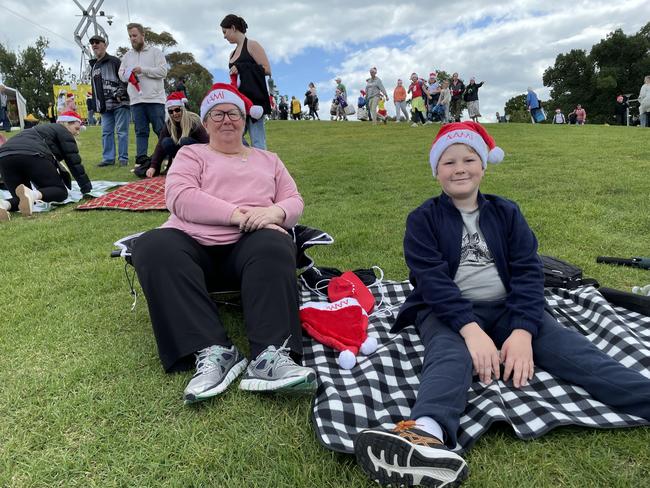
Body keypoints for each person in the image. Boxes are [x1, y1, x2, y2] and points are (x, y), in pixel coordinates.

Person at [353, 121, 650, 487]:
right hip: (447, 312)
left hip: (510, 308)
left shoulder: (507, 212)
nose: (459, 168)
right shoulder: (422, 220)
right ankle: (425, 435)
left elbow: (528, 272)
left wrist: (524, 330)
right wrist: (471, 331)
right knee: (450, 356)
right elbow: (432, 282)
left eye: (469, 158)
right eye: (448, 162)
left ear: (484, 165)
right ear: (436, 172)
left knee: (574, 351)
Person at [131, 83, 316, 404]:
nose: (226, 119)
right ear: (204, 121)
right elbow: (179, 197)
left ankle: (270, 356)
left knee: (274, 242)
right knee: (151, 245)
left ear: (245, 120)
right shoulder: (191, 153)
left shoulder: (269, 159)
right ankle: (214, 350)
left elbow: (293, 200)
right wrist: (237, 214)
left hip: (252, 246)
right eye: (217, 114)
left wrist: (274, 212)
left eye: (233, 113)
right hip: (193, 245)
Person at [0, 111, 92, 221]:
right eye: (76, 128)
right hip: (32, 154)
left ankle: (4, 205)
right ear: (67, 123)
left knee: (22, 197)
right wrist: (86, 188)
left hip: (4, 157)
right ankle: (33, 194)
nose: (77, 133)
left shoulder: (34, 131)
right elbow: (74, 162)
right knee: (59, 191)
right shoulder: (62, 131)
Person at [221, 14, 272, 149]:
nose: (224, 36)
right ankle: (245, 163)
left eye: (225, 32)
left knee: (258, 142)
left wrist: (241, 68)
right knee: (232, 138)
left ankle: (262, 167)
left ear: (233, 28)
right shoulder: (231, 54)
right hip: (238, 104)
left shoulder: (252, 45)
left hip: (255, 102)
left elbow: (267, 70)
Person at [119, 23, 168, 162]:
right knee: (140, 132)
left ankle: (167, 156)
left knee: (161, 130)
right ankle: (141, 159)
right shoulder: (127, 56)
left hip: (155, 100)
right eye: (130, 36)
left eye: (134, 35)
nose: (132, 39)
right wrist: (127, 75)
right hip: (136, 101)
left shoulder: (156, 53)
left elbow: (163, 72)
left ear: (143, 35)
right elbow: (121, 74)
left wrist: (143, 70)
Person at [90, 34, 131, 167]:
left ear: (105, 45)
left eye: (97, 42)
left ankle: (123, 159)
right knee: (106, 132)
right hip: (104, 106)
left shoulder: (114, 61)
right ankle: (108, 159)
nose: (94, 45)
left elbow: (124, 79)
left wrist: (120, 93)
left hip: (120, 103)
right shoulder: (94, 66)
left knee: (121, 131)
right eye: (92, 43)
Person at [145, 92, 209, 177]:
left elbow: (206, 143)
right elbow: (160, 146)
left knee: (184, 141)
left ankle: (192, 168)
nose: (174, 114)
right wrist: (153, 166)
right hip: (179, 156)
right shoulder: (168, 124)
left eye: (177, 110)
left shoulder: (194, 121)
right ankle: (177, 167)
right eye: (171, 111)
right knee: (166, 142)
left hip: (197, 156)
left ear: (183, 109)